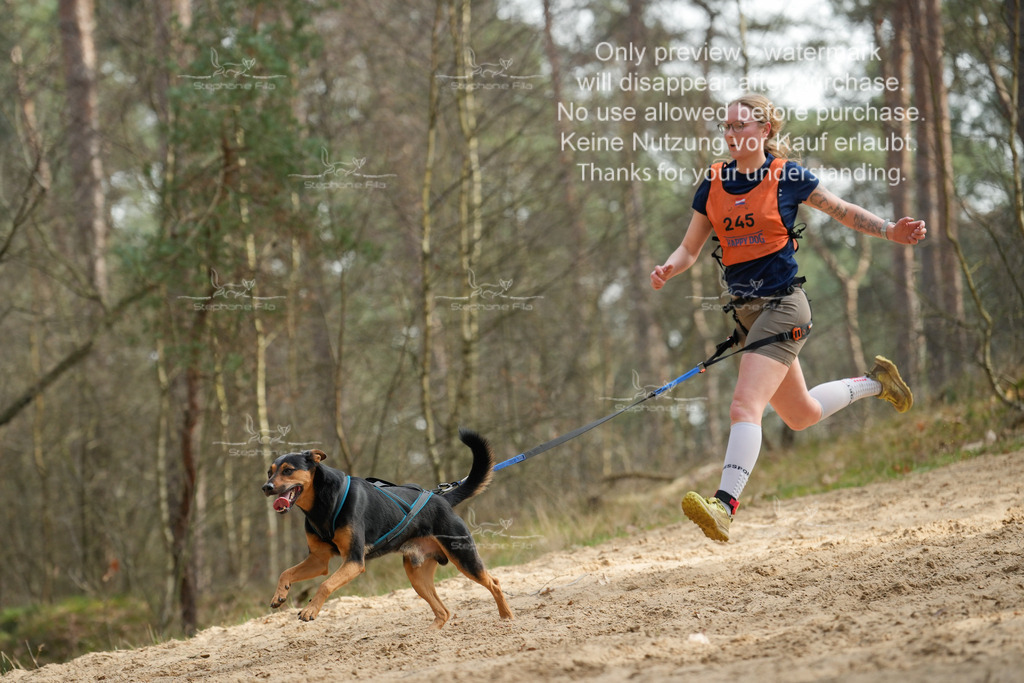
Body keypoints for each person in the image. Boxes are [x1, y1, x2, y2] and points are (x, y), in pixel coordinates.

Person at [650, 93, 927, 542]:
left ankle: (724, 505)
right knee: (802, 414)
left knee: (744, 406)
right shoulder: (713, 184)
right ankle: (878, 383)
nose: (731, 134)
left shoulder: (786, 177)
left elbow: (844, 211)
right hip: (746, 317)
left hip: (784, 306)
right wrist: (669, 267)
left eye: (741, 125)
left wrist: (889, 230)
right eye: (726, 127)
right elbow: (689, 248)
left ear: (765, 131)